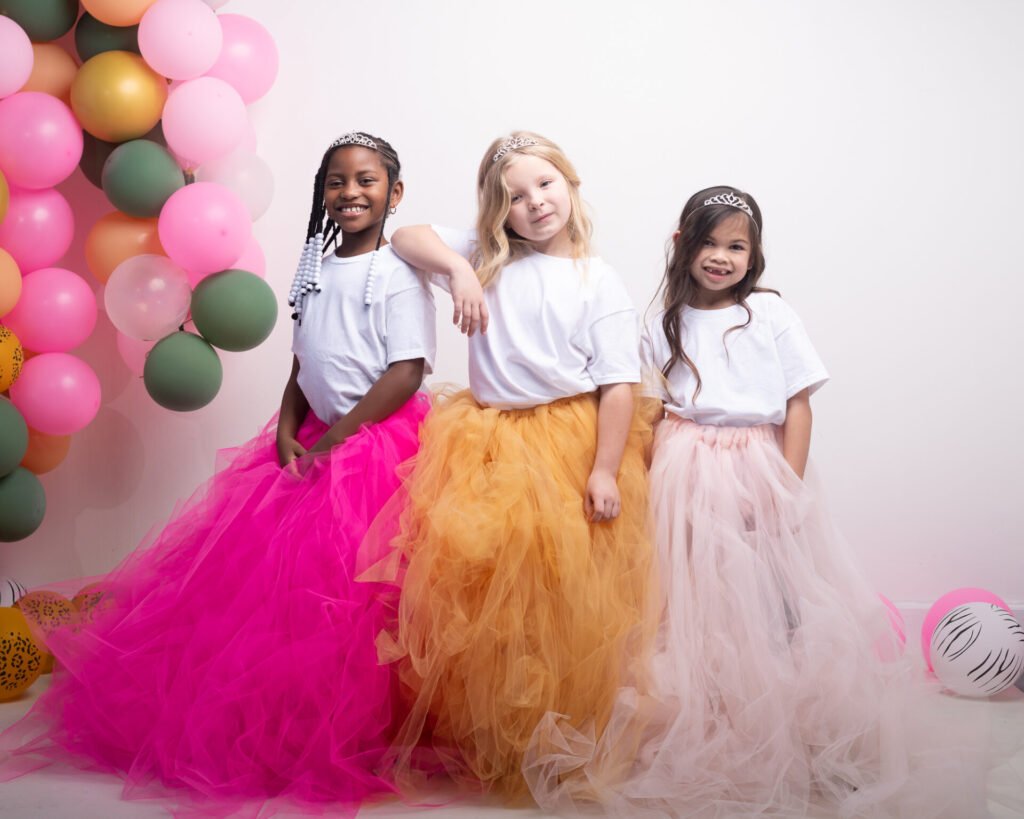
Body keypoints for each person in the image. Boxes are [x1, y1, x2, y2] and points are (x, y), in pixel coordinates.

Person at [1, 132, 437, 813]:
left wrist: (338, 440)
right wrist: (289, 429)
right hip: (312, 442)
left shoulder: (397, 273)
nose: (350, 192)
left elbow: (404, 371)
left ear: (395, 193)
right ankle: (288, 723)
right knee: (280, 595)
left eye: (367, 180)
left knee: (357, 596)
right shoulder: (317, 268)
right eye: (336, 181)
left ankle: (365, 732)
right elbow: (305, 363)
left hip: (375, 447)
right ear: (322, 194)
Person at [526, 186, 991, 818]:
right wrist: (643, 480)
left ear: (754, 253)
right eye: (708, 243)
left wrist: (786, 487)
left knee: (766, 595)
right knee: (687, 597)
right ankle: (705, 715)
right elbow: (652, 412)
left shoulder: (768, 313)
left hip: (755, 463)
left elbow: (798, 405)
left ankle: (774, 721)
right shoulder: (662, 321)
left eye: (736, 246)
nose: (721, 257)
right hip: (684, 462)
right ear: (682, 244)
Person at [360, 131, 654, 801]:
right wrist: (461, 270)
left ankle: (560, 735)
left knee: (560, 595)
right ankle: (492, 734)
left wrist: (605, 470)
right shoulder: (487, 256)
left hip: (566, 443)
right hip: (488, 441)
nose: (535, 203)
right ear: (498, 211)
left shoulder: (597, 279)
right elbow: (405, 235)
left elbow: (619, 384)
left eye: (545, 185)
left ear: (570, 185)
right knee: (485, 597)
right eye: (515, 197)